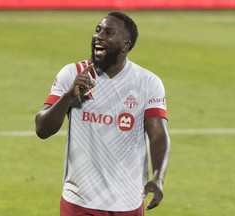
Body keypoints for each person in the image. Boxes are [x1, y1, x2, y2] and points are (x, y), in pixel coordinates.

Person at [35, 11, 170, 216]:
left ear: (125, 45)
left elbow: (158, 134)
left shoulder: (147, 82)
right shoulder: (73, 74)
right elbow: (42, 128)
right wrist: (69, 96)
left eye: (108, 32)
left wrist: (158, 177)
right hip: (79, 202)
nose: (99, 36)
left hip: (128, 202)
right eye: (98, 30)